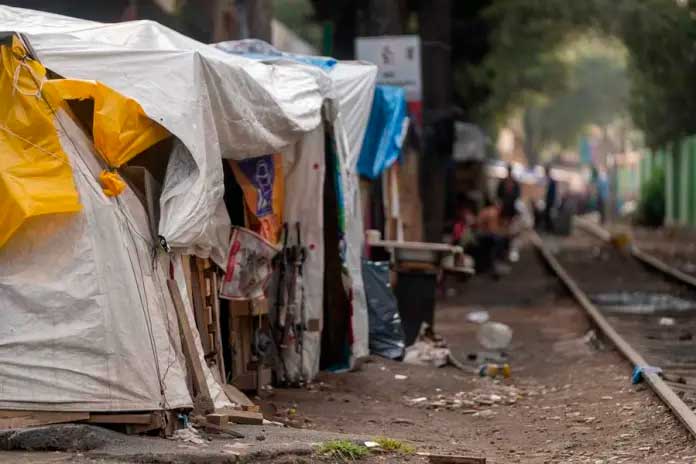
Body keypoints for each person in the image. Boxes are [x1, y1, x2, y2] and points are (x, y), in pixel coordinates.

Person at [543, 164, 557, 232]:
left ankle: (549, 228)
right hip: (549, 200)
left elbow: (552, 193)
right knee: (547, 215)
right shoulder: (549, 180)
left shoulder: (551, 181)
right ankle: (548, 228)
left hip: (550, 201)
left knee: (549, 215)